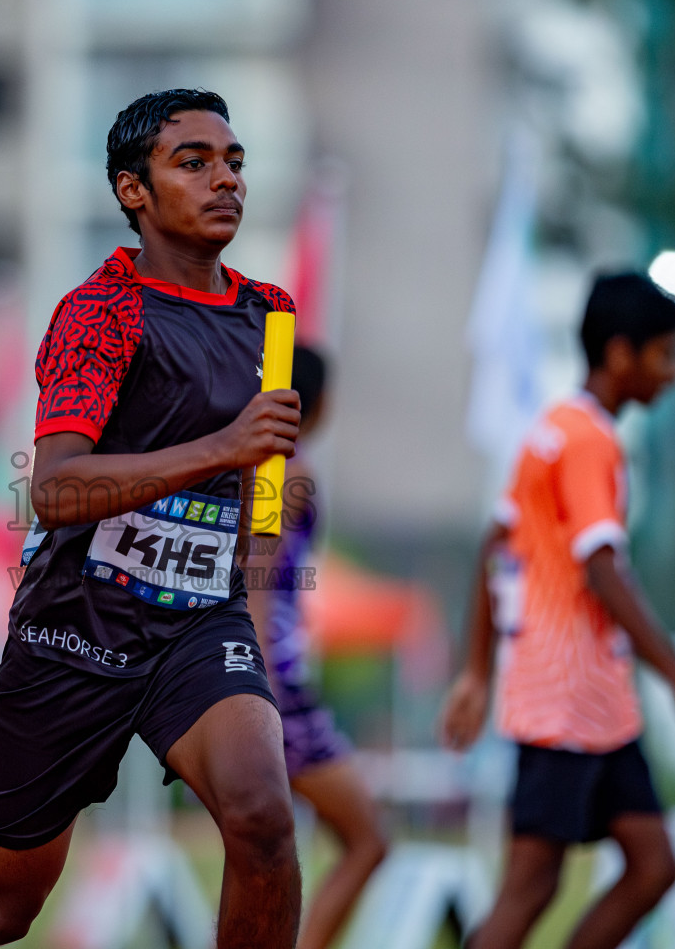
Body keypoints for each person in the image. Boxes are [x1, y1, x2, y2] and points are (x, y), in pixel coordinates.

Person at [0, 89, 303, 949]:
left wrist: (254, 625)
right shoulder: (103, 313)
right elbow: (55, 490)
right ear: (133, 190)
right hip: (74, 631)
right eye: (192, 163)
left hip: (200, 625)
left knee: (264, 819)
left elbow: (263, 489)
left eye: (234, 162)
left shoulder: (269, 311)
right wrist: (222, 446)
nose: (224, 178)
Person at [439, 271, 675, 949]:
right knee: (532, 884)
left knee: (653, 866)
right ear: (621, 353)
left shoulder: (550, 430)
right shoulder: (587, 442)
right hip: (562, 698)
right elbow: (602, 569)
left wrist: (478, 672)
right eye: (665, 354)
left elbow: (495, 549)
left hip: (595, 701)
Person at [245, 345, 389, 949]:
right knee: (367, 840)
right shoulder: (287, 473)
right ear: (317, 403)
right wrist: (261, 697)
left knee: (262, 857)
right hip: (276, 686)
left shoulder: (250, 466)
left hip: (260, 682)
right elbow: (256, 579)